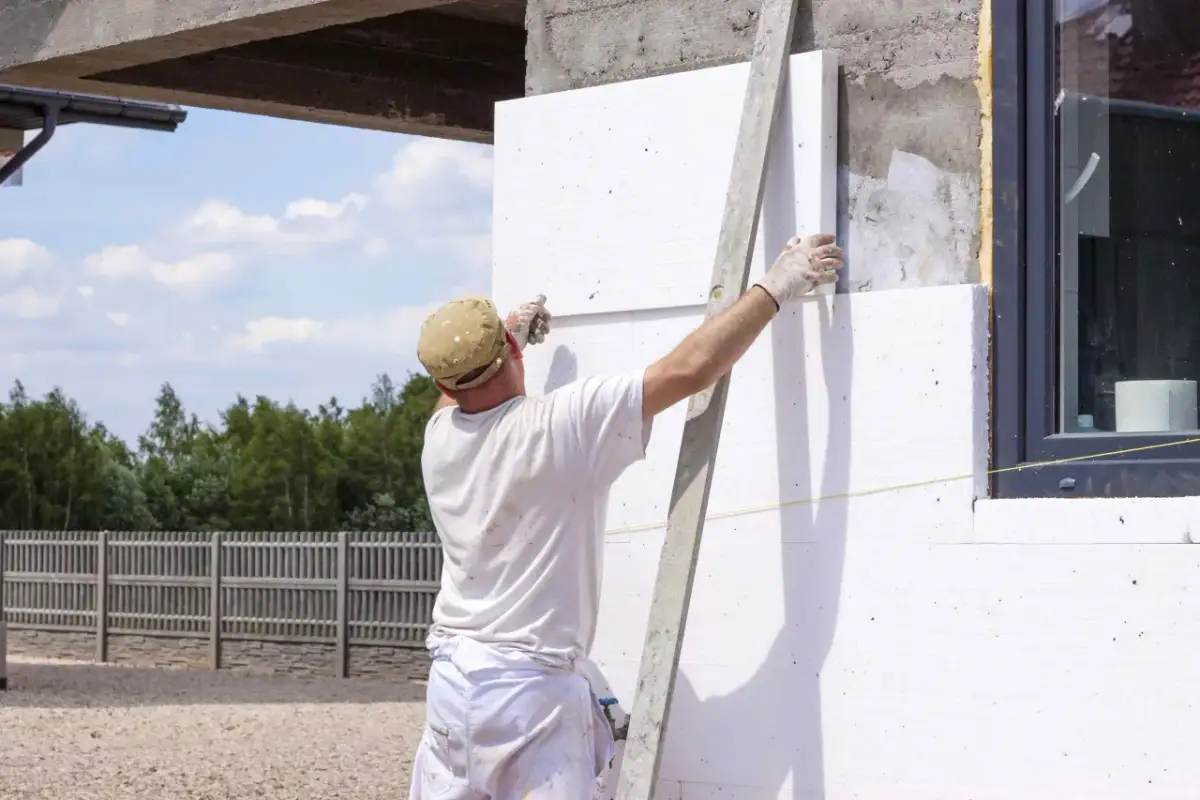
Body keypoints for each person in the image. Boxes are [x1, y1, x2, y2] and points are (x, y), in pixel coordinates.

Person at [409, 233, 844, 798]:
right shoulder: (559, 427)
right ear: (512, 357)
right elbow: (689, 370)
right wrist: (778, 284)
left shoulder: (439, 437)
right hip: (529, 697)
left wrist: (511, 329)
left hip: (451, 684)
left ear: (443, 382)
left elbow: (455, 393)